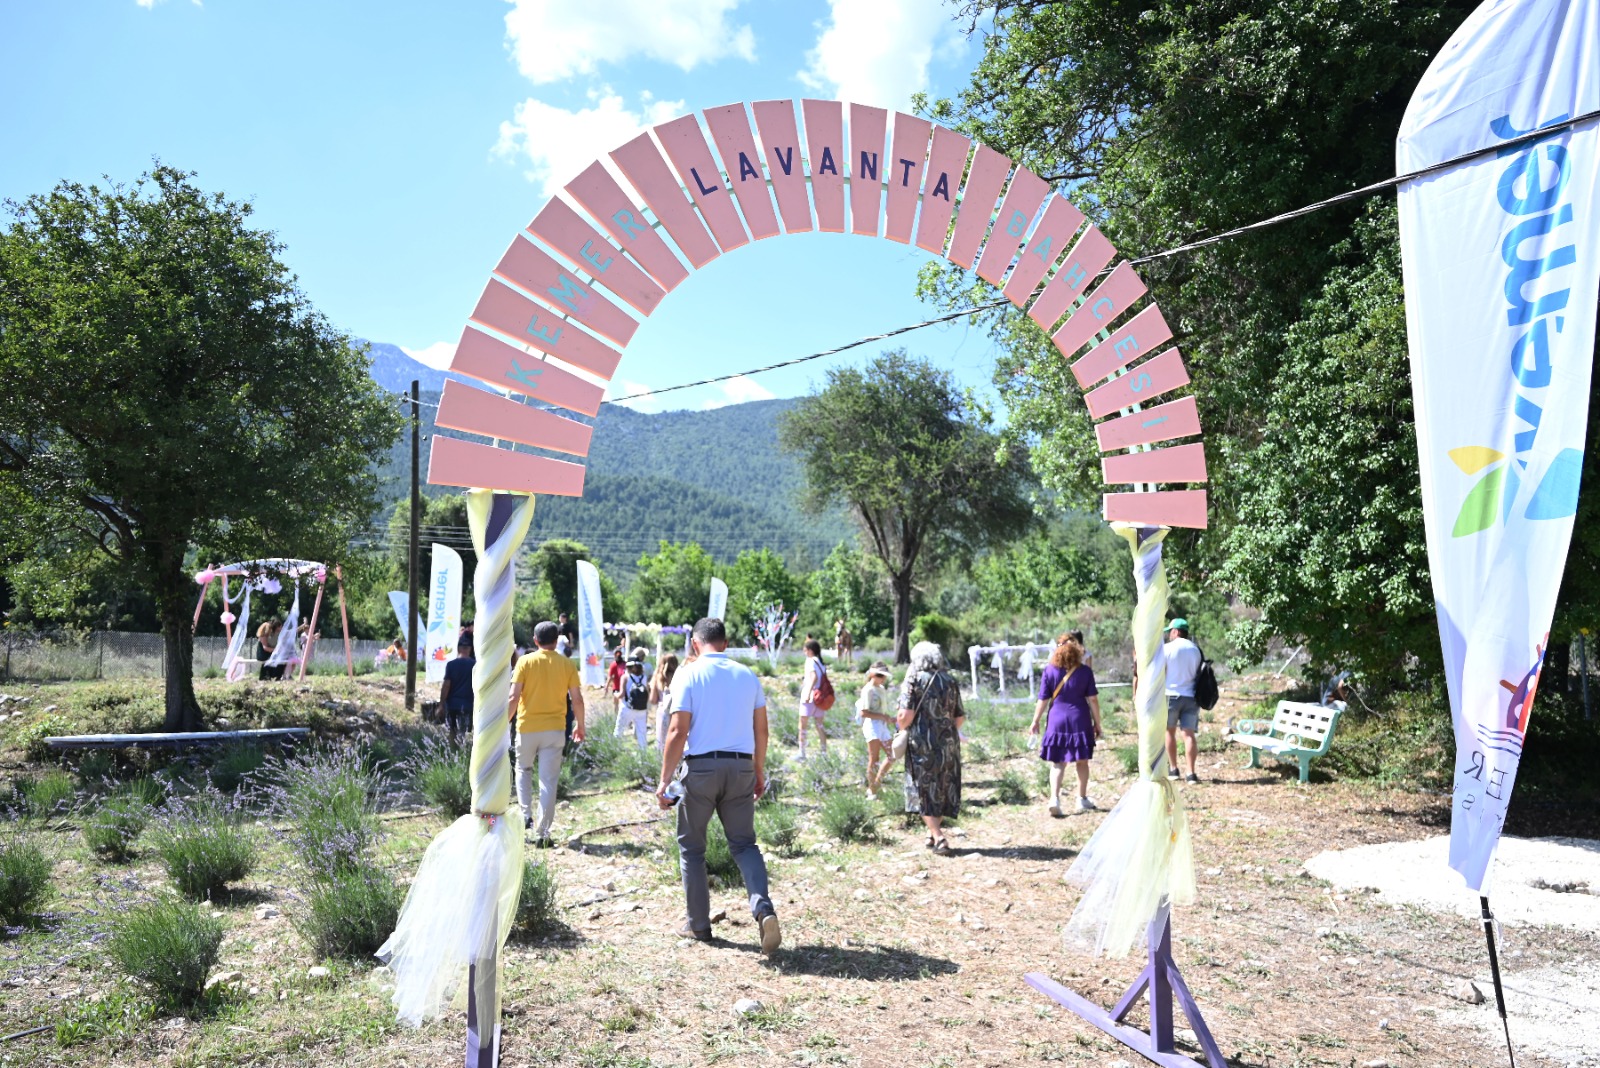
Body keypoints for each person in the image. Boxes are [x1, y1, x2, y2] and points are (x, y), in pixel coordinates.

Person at [655, 617, 780, 954]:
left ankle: (698, 925)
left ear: (695, 644)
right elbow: (762, 730)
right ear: (725, 643)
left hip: (701, 769)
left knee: (692, 848)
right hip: (740, 767)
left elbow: (677, 731)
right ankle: (763, 908)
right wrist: (757, 770)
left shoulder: (688, 674)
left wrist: (665, 780)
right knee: (745, 845)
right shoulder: (747, 675)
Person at [509, 621, 587, 847]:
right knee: (548, 781)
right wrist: (580, 725)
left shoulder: (524, 662)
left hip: (527, 727)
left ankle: (525, 816)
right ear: (557, 640)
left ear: (535, 640)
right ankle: (543, 833)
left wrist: (504, 722)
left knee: (523, 769)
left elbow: (513, 697)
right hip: (554, 729)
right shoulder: (567, 664)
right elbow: (577, 699)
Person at [899, 641, 964, 854]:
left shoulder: (914, 680)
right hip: (948, 743)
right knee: (942, 787)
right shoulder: (950, 680)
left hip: (922, 744)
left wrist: (901, 726)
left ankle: (939, 837)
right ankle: (931, 832)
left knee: (923, 789)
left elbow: (905, 715)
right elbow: (960, 717)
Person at [1029, 634, 1103, 815]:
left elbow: (1043, 699)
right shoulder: (1085, 672)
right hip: (1080, 718)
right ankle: (1081, 799)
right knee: (1082, 761)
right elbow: (1093, 699)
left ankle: (1054, 799)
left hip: (1057, 720)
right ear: (1077, 652)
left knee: (1058, 763)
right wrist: (1097, 723)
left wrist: (1035, 721)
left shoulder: (1049, 671)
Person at [1164, 618, 1203, 784]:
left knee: (1169, 732)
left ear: (1175, 631)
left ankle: (1173, 769)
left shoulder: (1167, 649)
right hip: (1191, 696)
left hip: (1170, 695)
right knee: (1189, 735)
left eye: (1170, 631)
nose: (1169, 635)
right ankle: (1191, 773)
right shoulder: (1195, 649)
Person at [855, 661, 896, 799]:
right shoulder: (868, 690)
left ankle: (875, 785)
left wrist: (887, 718)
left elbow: (880, 709)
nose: (882, 678)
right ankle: (872, 791)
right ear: (872, 674)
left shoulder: (881, 689)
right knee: (874, 759)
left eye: (883, 676)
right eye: (879, 675)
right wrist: (883, 717)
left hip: (882, 725)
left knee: (892, 755)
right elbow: (864, 712)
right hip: (872, 725)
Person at [797, 638, 830, 761]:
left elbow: (814, 677)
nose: (804, 652)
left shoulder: (810, 661)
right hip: (820, 697)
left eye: (805, 649)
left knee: (802, 725)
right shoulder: (820, 662)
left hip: (810, 696)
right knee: (819, 725)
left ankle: (802, 752)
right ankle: (823, 752)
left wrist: (807, 693)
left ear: (810, 650)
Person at [438, 638, 475, 744]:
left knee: (452, 731)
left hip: (452, 705)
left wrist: (441, 704)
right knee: (464, 733)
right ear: (470, 649)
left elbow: (446, 685)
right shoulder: (475, 665)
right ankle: (462, 750)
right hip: (468, 705)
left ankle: (453, 750)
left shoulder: (451, 665)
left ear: (458, 649)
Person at [616, 653, 651, 747]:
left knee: (619, 731)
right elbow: (647, 692)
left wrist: (615, 694)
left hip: (627, 707)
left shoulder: (625, 677)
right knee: (642, 734)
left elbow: (621, 694)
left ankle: (614, 751)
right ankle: (643, 754)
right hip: (641, 709)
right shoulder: (644, 677)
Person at [650, 653, 680, 752]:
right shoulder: (680, 677)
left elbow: (653, 700)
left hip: (663, 711)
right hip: (678, 712)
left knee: (662, 742)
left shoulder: (657, 677)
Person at [606, 647, 627, 715]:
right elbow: (610, 676)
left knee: (621, 703)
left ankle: (621, 715)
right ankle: (617, 715)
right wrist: (606, 686)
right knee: (616, 703)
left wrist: (607, 686)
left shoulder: (625, 664)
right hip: (617, 687)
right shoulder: (614, 665)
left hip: (623, 687)